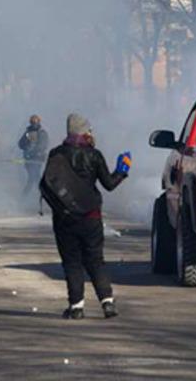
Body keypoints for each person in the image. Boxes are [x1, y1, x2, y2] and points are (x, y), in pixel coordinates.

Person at [41, 114, 129, 320]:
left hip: (64, 218)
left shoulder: (56, 154)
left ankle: (76, 307)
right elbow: (109, 184)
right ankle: (107, 302)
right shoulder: (94, 155)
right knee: (95, 260)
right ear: (84, 131)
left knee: (71, 262)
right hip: (91, 216)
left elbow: (48, 184)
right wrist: (122, 170)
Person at [18, 115, 50, 197]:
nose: (34, 124)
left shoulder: (42, 133)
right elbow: (20, 144)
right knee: (34, 178)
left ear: (39, 122)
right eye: (32, 122)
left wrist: (33, 151)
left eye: (35, 122)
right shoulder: (27, 133)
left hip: (37, 159)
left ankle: (26, 197)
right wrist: (27, 147)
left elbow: (43, 145)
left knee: (34, 177)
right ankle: (43, 195)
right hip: (29, 159)